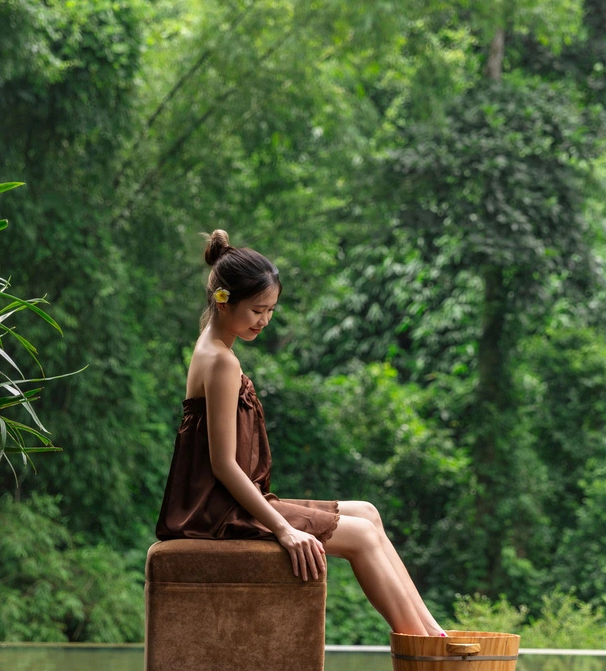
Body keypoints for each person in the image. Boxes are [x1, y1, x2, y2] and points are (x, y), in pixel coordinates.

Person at [155, 229, 446, 637]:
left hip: (219, 504)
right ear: (224, 300)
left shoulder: (213, 347)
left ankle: (435, 632)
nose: (265, 320)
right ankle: (422, 642)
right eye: (257, 310)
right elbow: (222, 465)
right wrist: (283, 528)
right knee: (360, 535)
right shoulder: (221, 362)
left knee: (368, 512)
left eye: (271, 310)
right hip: (214, 512)